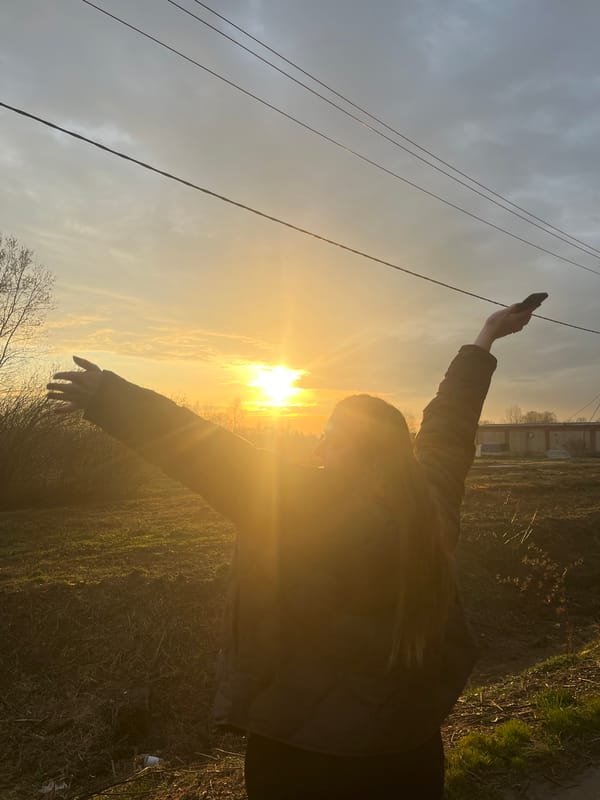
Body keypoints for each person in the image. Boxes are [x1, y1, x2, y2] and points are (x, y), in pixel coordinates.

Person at [47, 303, 533, 799]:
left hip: (299, 752)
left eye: (332, 440)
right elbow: (449, 429)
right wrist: (485, 340)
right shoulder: (428, 503)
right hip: (406, 746)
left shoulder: (301, 505)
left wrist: (110, 398)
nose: (318, 451)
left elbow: (208, 453)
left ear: (368, 454)